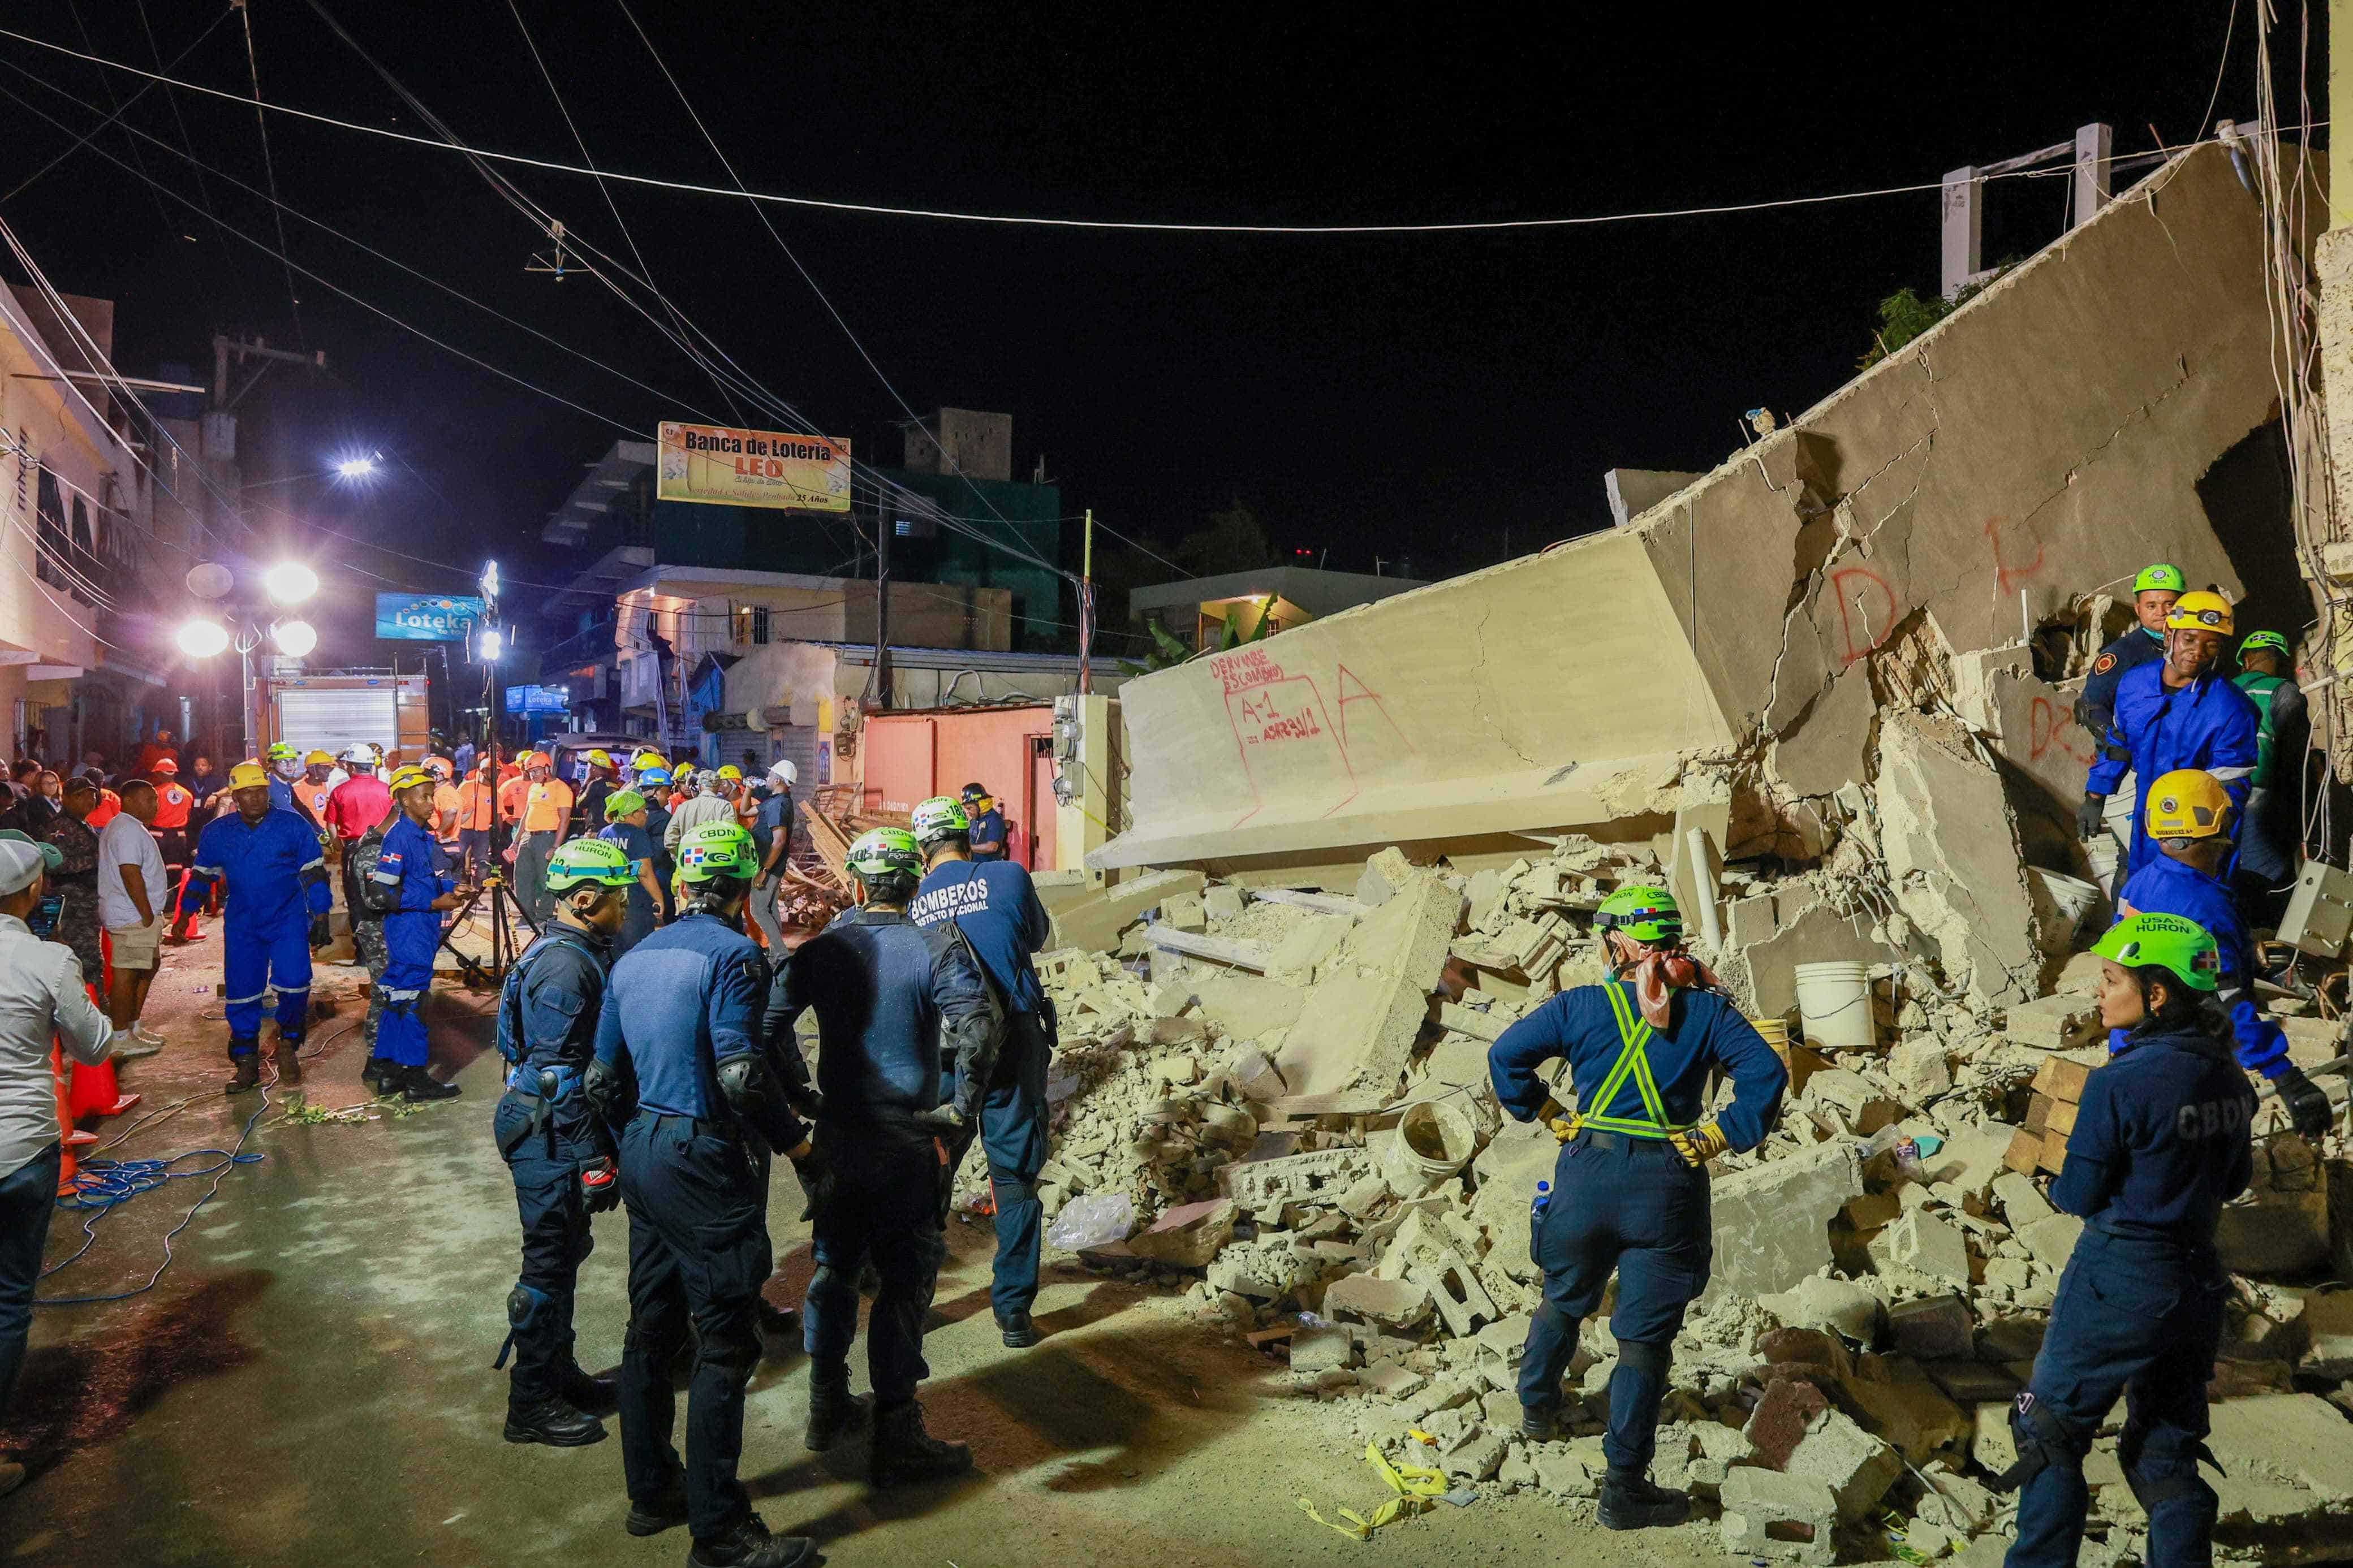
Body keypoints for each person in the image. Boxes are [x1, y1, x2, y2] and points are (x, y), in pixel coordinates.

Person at [1486, 885, 1787, 1530]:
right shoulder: (1707, 1013)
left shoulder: (1579, 1005)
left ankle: (1537, 1411)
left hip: (1585, 1176)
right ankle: (1622, 1488)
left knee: (1564, 1298)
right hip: (1667, 1184)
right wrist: (1717, 1135)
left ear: (1614, 944)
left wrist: (1544, 1111)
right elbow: (1767, 1074)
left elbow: (1504, 1055)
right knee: (1643, 1343)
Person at [584, 822, 822, 1567]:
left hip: (643, 1150)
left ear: (684, 883)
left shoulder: (634, 957)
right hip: (702, 1157)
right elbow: (743, 1075)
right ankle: (719, 1533)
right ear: (745, 885)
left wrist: (618, 1153)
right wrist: (799, 1146)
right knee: (725, 1343)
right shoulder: (736, 958)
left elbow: (600, 1079)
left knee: (651, 1328)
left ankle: (653, 1491)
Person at [1996, 914, 2253, 1568]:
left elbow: (2075, 1197)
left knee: (2045, 1429)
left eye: (2110, 980)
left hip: (2118, 1280)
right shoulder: (2228, 1076)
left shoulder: (2118, 1083)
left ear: (2156, 994)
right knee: (2163, 1447)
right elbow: (2234, 1179)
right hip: (2196, 1285)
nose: (2098, 993)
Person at [771, 826, 996, 1486]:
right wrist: (959, 1109)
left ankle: (825, 1406)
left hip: (841, 1136)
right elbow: (977, 1027)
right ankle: (897, 1430)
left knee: (834, 1270)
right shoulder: (935, 947)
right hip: (905, 1143)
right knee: (904, 1281)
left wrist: (800, 1094)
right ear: (915, 884)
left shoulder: (822, 950)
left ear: (860, 886)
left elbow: (764, 1025)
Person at [493, 837, 639, 1448]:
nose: (625, 905)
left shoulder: (575, 949)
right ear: (584, 899)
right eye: (616, 896)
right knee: (547, 1262)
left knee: (566, 1253)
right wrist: (593, 1159)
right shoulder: (565, 965)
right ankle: (530, 1402)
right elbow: (558, 1075)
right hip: (547, 1132)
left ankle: (558, 1373)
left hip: (549, 1125)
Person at [905, 794, 1053, 1345]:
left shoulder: (908, 902)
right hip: (1013, 1039)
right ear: (967, 836)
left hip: (944, 1054)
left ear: (922, 850)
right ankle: (1012, 1314)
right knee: (1013, 1178)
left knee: (930, 1173)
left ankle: (913, 1299)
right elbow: (1034, 937)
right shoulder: (1010, 877)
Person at [2111, 770, 2332, 1137]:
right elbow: (2225, 1000)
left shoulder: (2138, 885)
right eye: (2224, 827)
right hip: (2178, 1060)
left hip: (2129, 1044)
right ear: (2211, 833)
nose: (2227, 840)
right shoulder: (2205, 910)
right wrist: (2286, 1076)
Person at [0, 836, 113, 1498]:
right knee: (9, 1300)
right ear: (32, 892)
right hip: (20, 1149)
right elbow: (93, 1042)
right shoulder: (46, 957)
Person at [176, 761, 332, 1090]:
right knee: (242, 993)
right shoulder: (217, 833)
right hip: (243, 923)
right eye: (247, 793)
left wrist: (321, 914)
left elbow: (315, 872)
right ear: (235, 796)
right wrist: (186, 914)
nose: (256, 799)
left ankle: (289, 1044)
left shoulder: (292, 826)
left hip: (287, 919)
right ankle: (246, 1061)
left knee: (295, 984)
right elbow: (203, 875)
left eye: (260, 791)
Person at [2081, 591, 2259, 879]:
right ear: (2168, 637)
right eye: (2189, 639)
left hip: (2196, 834)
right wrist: (2094, 796)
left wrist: (2202, 844)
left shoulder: (2232, 708)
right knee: (2134, 894)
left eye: (2211, 645)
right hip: (2146, 814)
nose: (2198, 652)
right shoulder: (2135, 684)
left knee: (2187, 906)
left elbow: (2230, 787)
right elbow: (2119, 744)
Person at [368, 766, 468, 1104]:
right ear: (403, 800)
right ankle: (415, 1077)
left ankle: (389, 1073)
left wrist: (454, 887)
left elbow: (425, 878)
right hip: (410, 930)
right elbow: (383, 893)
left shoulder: (422, 835)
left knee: (396, 998)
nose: (432, 803)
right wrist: (433, 902)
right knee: (412, 1001)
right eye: (424, 797)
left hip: (418, 929)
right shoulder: (399, 837)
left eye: (432, 795)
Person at [2229, 629, 2308, 921]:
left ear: (2245, 660)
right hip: (2262, 796)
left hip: (2221, 792)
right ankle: (2270, 943)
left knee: (2230, 867)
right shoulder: (2284, 691)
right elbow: (2293, 752)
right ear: (2280, 660)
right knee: (2268, 876)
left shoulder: (2223, 689)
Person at [2074, 563, 2186, 740]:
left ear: (2183, 606)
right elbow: (2090, 707)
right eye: (2151, 606)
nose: (2161, 612)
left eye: (2169, 604)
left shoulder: (2198, 648)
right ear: (2138, 609)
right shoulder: (2124, 653)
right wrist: (2122, 747)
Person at [99, 779, 169, 1061]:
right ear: (127, 800)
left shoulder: (131, 827)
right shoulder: (126, 829)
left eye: (155, 799)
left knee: (149, 965)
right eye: (148, 799)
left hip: (139, 914)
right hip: (132, 915)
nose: (155, 805)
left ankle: (133, 1026)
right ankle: (119, 1036)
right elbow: (131, 873)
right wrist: (146, 913)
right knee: (127, 973)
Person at [35, 777, 104, 993]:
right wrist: (96, 861)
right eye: (82, 795)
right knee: (85, 958)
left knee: (90, 955)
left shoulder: (82, 824)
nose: (90, 800)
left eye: (92, 794)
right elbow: (55, 864)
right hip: (71, 903)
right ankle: (92, 1006)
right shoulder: (60, 827)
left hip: (86, 901)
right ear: (67, 799)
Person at [596, 789, 664, 958]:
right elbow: (644, 872)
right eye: (643, 812)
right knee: (637, 952)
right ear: (632, 815)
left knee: (612, 950)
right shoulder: (637, 835)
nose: (646, 816)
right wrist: (659, 899)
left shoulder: (603, 833)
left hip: (608, 900)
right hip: (633, 903)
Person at [515, 753, 574, 925]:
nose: (533, 775)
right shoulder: (534, 788)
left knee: (545, 879)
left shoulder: (561, 789)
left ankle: (544, 917)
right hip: (528, 837)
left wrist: (556, 846)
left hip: (547, 838)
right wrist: (516, 841)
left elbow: (565, 819)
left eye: (537, 771)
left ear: (547, 768)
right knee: (522, 876)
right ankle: (526, 916)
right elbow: (526, 815)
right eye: (531, 771)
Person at [747, 761, 797, 952]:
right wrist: (748, 791)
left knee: (758, 910)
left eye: (770, 776)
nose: (766, 779)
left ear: (777, 780)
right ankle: (777, 954)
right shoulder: (774, 801)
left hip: (769, 865)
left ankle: (781, 954)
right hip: (771, 864)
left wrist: (763, 871)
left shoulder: (779, 805)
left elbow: (779, 841)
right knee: (770, 909)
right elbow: (745, 811)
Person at [326, 743, 393, 848]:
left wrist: (339, 849)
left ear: (352, 767)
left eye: (346, 765)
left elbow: (331, 825)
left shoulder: (339, 791)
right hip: (384, 845)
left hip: (353, 847)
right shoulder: (387, 789)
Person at [637, 765, 675, 922]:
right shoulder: (662, 817)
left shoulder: (633, 813)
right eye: (667, 792)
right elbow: (660, 852)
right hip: (658, 870)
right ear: (656, 791)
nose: (669, 797)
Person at [150, 756, 195, 889]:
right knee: (176, 867)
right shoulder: (187, 794)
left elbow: (149, 815)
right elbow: (189, 815)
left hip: (158, 835)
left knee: (156, 868)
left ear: (158, 774)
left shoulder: (155, 793)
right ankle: (174, 898)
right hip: (180, 837)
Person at [454, 756, 499, 884]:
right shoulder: (466, 787)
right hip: (464, 831)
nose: (497, 774)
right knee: (459, 859)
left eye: (498, 771)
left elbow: (499, 815)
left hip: (483, 833)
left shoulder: (495, 792)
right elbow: (455, 806)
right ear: (483, 771)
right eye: (493, 770)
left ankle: (476, 894)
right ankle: (458, 891)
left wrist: (497, 834)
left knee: (482, 864)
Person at [574, 749, 619, 839]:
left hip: (595, 832)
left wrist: (587, 781)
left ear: (594, 768)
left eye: (589, 766)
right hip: (610, 832)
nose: (588, 769)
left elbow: (579, 804)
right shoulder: (614, 785)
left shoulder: (595, 784)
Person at [959, 782, 1007, 862]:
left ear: (981, 805)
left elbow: (992, 847)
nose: (968, 812)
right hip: (974, 866)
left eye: (970, 808)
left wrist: (968, 847)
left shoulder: (995, 819)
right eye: (966, 809)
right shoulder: (973, 822)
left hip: (989, 868)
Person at [296, 750, 339, 827]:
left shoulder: (323, 784)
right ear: (312, 770)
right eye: (325, 768)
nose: (328, 771)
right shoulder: (298, 789)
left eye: (329, 768)